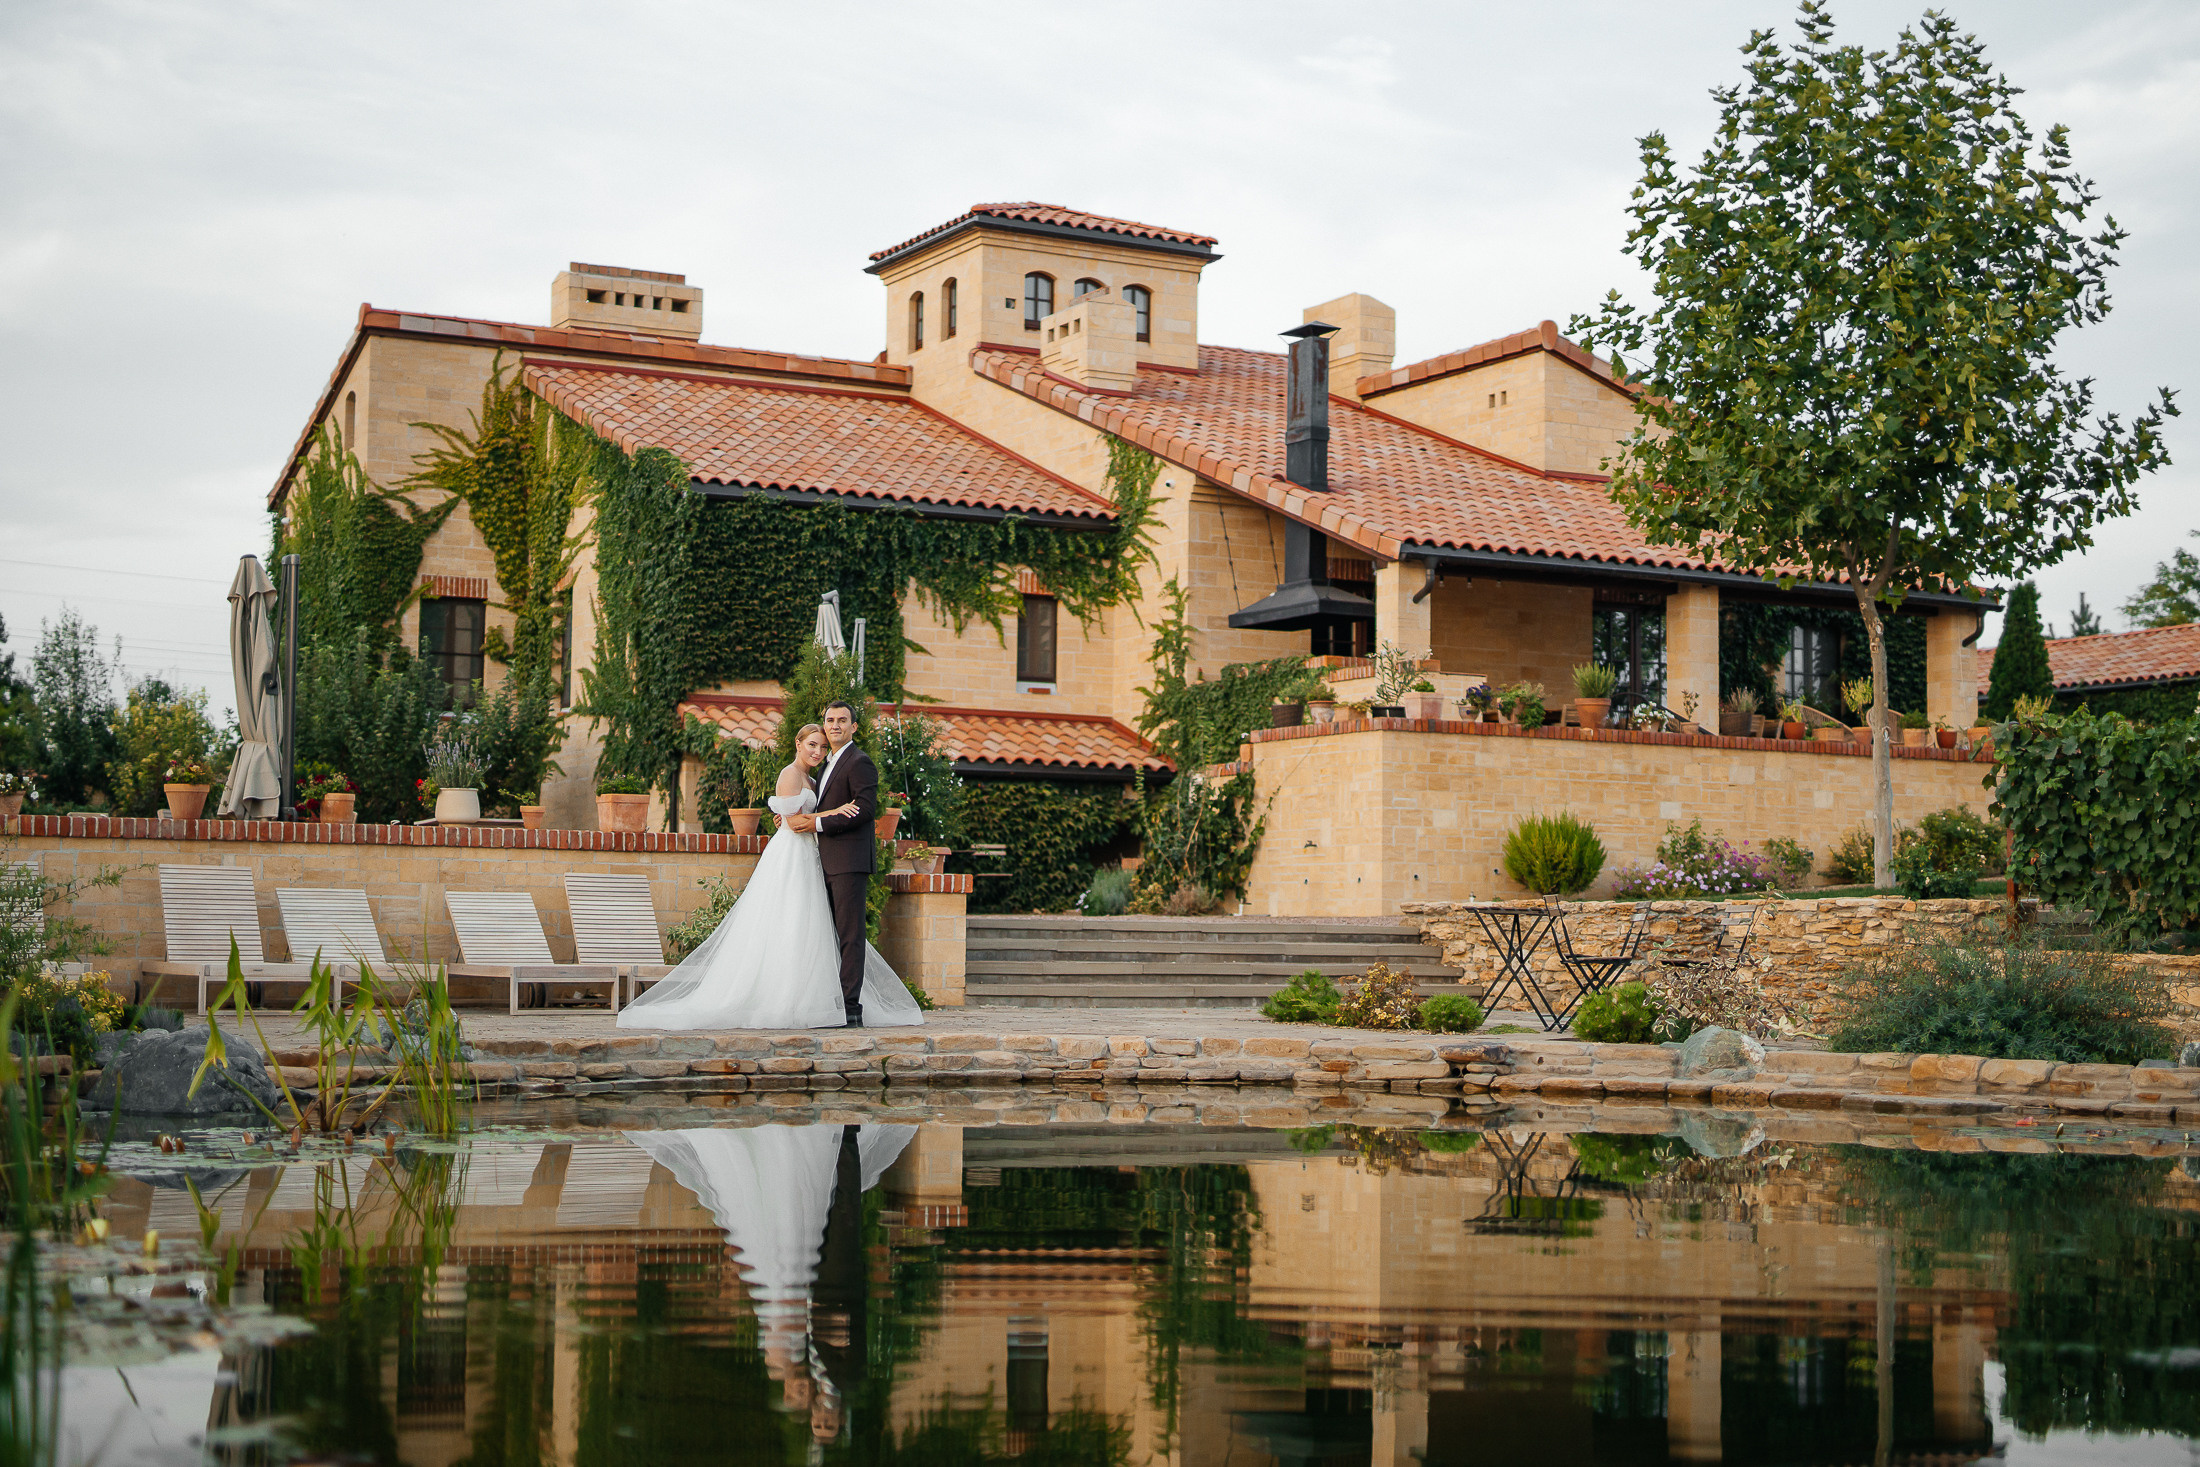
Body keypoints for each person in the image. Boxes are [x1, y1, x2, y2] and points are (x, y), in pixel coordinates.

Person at [614, 719, 923, 1030]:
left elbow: (798, 819)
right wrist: (833, 812)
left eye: (822, 746)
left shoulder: (812, 778)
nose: (817, 751)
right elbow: (791, 824)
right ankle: (782, 998)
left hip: (811, 856)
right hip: (791, 857)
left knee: (808, 927)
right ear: (798, 745)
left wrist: (818, 815)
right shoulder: (790, 774)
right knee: (787, 923)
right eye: (811, 744)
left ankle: (813, 997)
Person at [783, 699, 876, 1028]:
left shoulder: (859, 762)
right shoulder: (825, 765)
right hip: (820, 860)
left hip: (849, 861)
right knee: (823, 933)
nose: (835, 725)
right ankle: (826, 1000)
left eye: (842, 720)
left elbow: (864, 809)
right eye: (830, 719)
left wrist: (817, 824)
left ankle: (851, 1007)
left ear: (854, 727)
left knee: (850, 935)